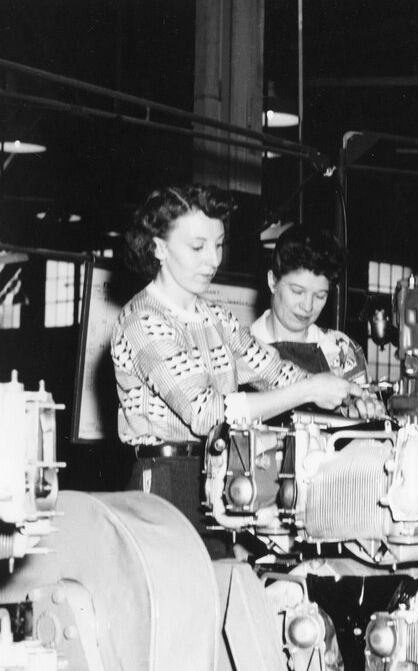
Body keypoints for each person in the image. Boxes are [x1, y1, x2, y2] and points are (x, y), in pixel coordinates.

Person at [111, 184, 370, 534]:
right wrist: (309, 391)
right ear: (159, 247)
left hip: (216, 474)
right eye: (198, 247)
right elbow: (205, 413)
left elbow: (276, 372)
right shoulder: (143, 320)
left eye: (218, 245)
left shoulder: (217, 318)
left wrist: (351, 397)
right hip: (163, 481)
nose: (213, 260)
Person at [251, 224, 369, 380]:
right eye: (297, 291)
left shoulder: (343, 351)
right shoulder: (238, 348)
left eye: (320, 296)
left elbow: (364, 397)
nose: (308, 306)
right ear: (273, 282)